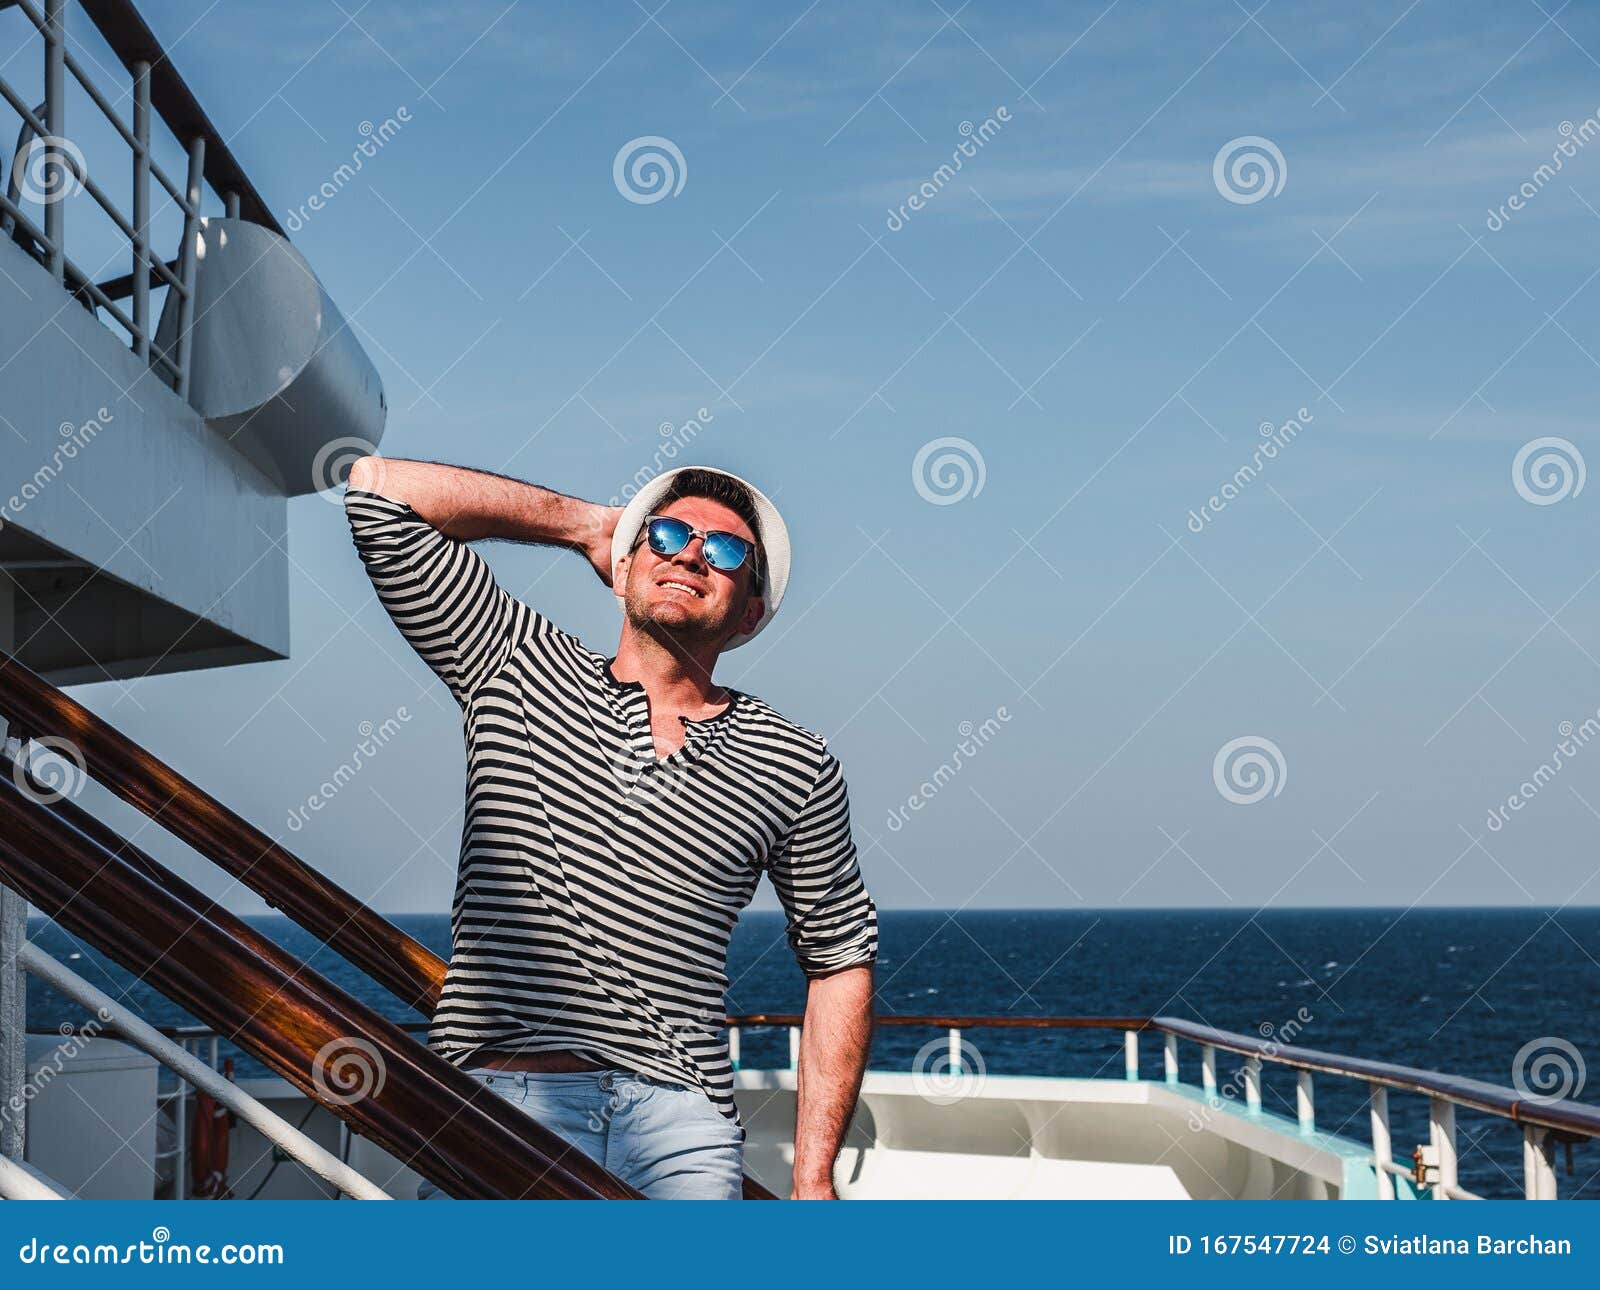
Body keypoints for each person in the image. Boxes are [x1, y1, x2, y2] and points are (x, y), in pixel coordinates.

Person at [343, 457, 877, 1200]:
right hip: (505, 1104)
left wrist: (814, 1175)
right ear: (624, 567)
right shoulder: (514, 664)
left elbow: (840, 957)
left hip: (681, 1128)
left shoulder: (796, 760)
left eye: (726, 552)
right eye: (666, 533)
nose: (690, 552)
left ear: (751, 611)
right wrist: (592, 525)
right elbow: (376, 490)